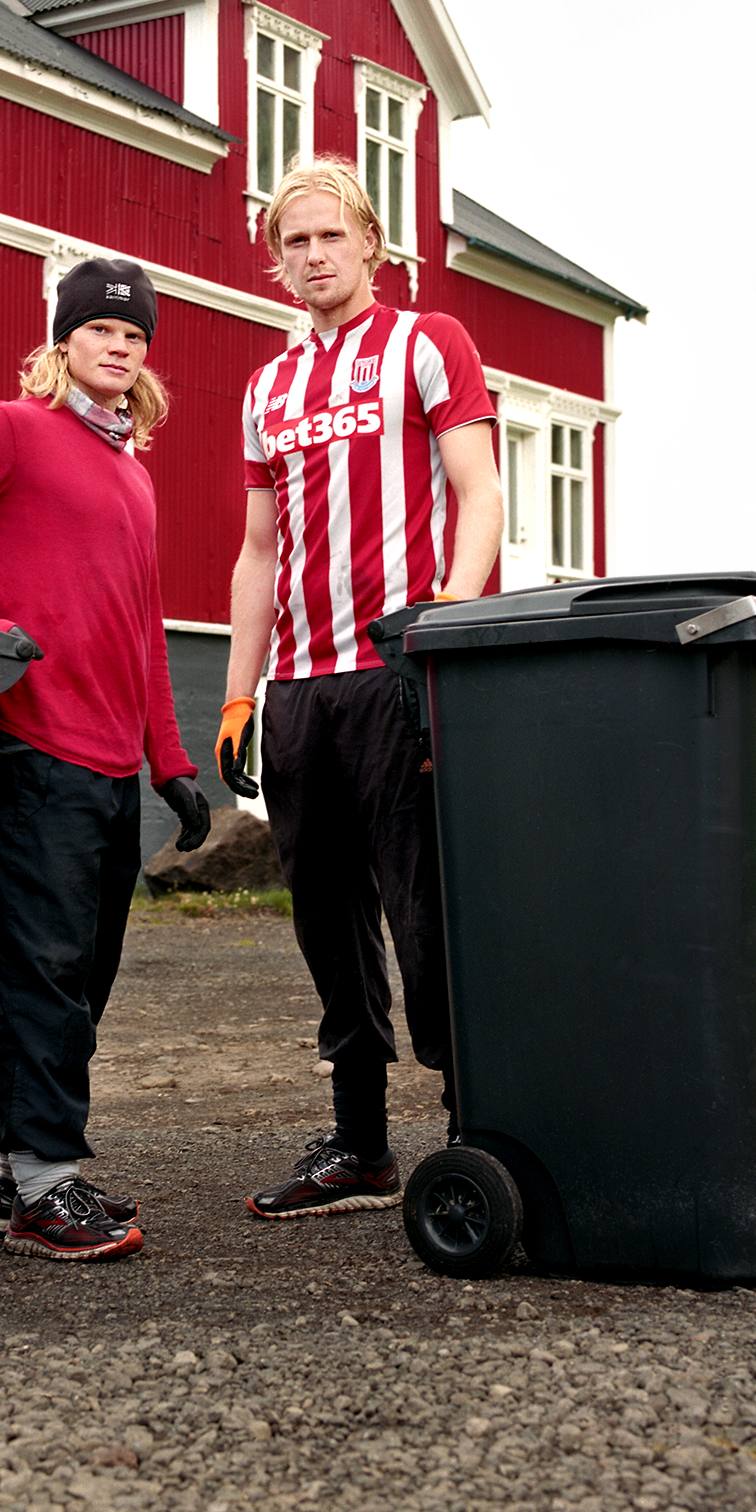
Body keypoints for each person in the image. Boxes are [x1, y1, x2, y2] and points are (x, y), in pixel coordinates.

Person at [0, 257, 210, 1262]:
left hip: (110, 765)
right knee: (43, 977)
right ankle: (46, 1180)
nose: (119, 344)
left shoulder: (135, 475)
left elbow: (143, 626)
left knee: (83, 979)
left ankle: (29, 1167)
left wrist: (171, 761)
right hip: (34, 745)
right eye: (101, 329)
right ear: (64, 342)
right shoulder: (10, 430)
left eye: (136, 335)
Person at [218, 158, 503, 1220]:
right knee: (326, 923)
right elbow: (256, 553)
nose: (315, 256)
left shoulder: (429, 344)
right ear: (277, 258)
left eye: (332, 236)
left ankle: (483, 1131)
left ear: (371, 244)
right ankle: (361, 1145)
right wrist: (241, 693)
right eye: (296, 241)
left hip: (396, 673)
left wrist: (447, 631)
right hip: (299, 688)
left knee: (426, 913)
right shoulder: (267, 387)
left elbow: (478, 492)